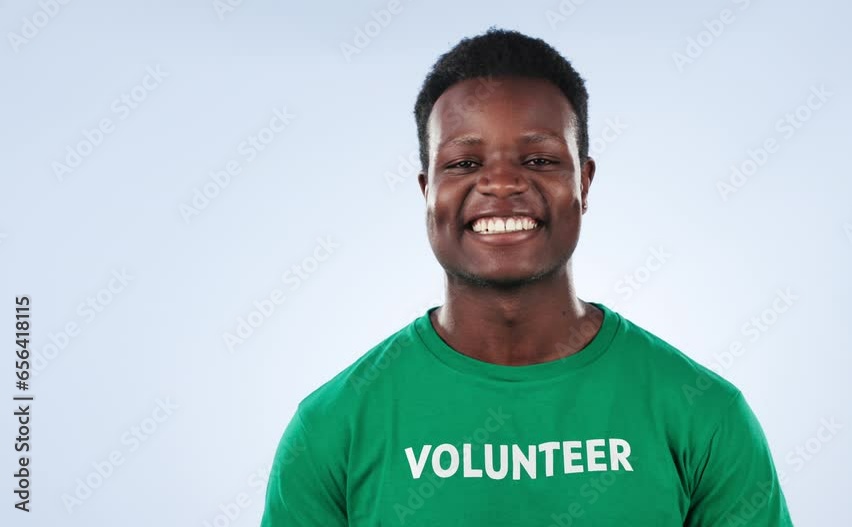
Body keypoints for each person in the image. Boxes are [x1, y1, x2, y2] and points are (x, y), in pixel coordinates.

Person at [261, 27, 794, 526]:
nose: (500, 183)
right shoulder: (332, 429)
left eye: (538, 159)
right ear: (426, 189)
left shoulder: (704, 412)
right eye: (464, 164)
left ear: (583, 182)